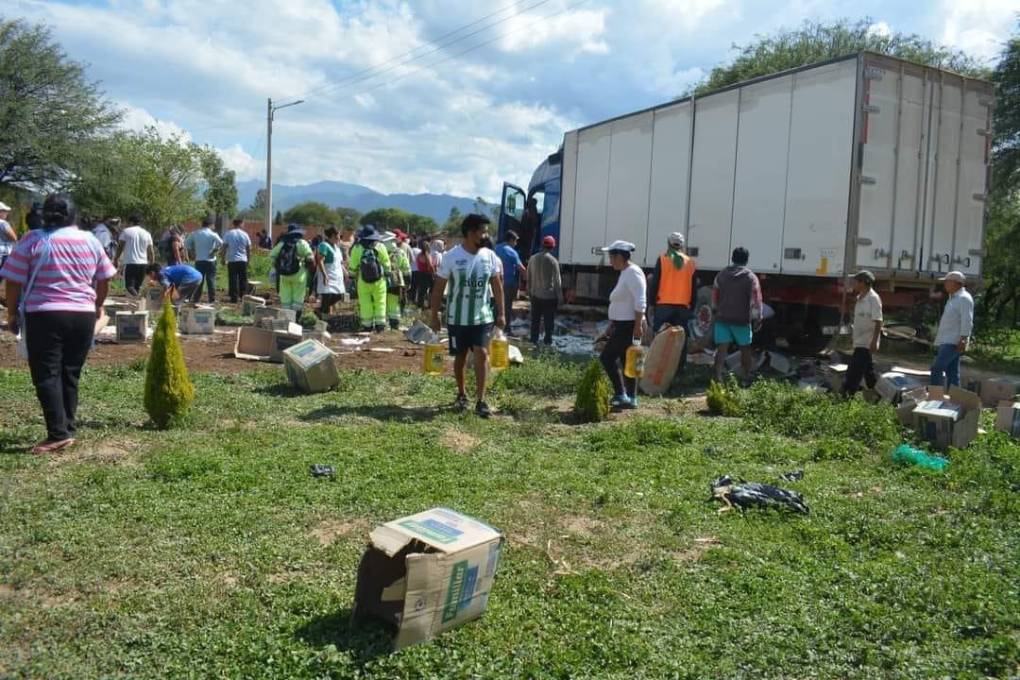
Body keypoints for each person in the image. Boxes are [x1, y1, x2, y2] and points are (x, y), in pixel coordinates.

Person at [1, 194, 116, 454]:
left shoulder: (33, 239)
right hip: (82, 315)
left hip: (45, 315)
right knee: (70, 372)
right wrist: (97, 305)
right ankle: (67, 428)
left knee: (46, 374)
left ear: (44, 215)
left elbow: (13, 280)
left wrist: (11, 313)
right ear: (74, 215)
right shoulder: (90, 240)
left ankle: (57, 434)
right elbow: (105, 277)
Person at [430, 214, 504, 417]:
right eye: (483, 232)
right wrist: (434, 315)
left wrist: (502, 313)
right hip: (457, 318)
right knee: (460, 356)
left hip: (483, 317)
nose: (486, 235)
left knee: (482, 353)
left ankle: (481, 400)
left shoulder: (489, 256)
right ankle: (462, 394)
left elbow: (497, 287)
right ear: (471, 233)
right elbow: (438, 289)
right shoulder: (451, 257)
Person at [596, 240, 646, 409]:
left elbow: (640, 301)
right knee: (627, 361)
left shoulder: (633, 272)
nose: (610, 261)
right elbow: (622, 302)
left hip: (628, 325)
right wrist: (611, 326)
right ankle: (631, 398)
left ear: (619, 257)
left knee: (607, 358)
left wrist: (638, 326)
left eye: (611, 257)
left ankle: (620, 394)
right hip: (622, 324)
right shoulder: (625, 272)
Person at [712, 247, 763, 385]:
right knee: (745, 348)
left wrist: (716, 310)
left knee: (722, 348)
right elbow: (756, 300)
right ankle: (746, 377)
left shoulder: (721, 275)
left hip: (722, 318)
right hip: (741, 320)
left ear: (732, 258)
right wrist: (758, 318)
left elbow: (715, 295)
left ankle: (717, 377)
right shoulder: (751, 277)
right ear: (746, 260)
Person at [647, 232, 697, 369]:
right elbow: (694, 289)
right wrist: (691, 307)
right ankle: (679, 369)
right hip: (682, 308)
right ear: (682, 245)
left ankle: (657, 368)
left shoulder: (663, 259)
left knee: (660, 338)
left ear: (668, 243)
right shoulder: (690, 262)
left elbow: (655, 283)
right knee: (681, 340)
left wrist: (651, 303)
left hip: (664, 307)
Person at [930, 271, 974, 388]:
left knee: (937, 368)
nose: (945, 285)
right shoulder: (953, 298)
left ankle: (935, 395)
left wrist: (963, 339)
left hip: (953, 341)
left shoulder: (964, 299)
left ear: (956, 283)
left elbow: (967, 320)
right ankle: (955, 396)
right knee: (952, 372)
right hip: (947, 340)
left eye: (947, 282)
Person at [842, 271, 883, 396]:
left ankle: (847, 395)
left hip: (866, 343)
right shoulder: (860, 298)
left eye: (855, 281)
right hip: (859, 340)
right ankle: (878, 394)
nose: (853, 284)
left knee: (854, 372)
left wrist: (874, 342)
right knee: (868, 373)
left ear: (863, 283)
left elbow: (878, 321)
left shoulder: (873, 299)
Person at [349, 226, 391, 332]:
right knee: (380, 302)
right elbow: (386, 263)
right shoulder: (380, 246)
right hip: (379, 280)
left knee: (365, 303)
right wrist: (387, 273)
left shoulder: (357, 248)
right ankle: (380, 325)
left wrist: (352, 276)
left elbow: (353, 265)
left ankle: (367, 325)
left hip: (363, 280)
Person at [270, 224, 314, 313]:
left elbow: (272, 256)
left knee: (285, 296)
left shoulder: (282, 243)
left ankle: (286, 315)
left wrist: (279, 266)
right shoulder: (302, 243)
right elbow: (310, 258)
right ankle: (296, 316)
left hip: (284, 275)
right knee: (298, 296)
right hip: (299, 275)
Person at [527, 235, 562, 347]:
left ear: (542, 245)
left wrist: (529, 292)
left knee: (535, 321)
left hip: (535, 295)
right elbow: (557, 281)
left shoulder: (532, 259)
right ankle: (547, 342)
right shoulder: (553, 261)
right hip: (549, 297)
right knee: (548, 322)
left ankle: (533, 342)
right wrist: (560, 297)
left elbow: (528, 277)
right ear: (552, 247)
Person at [185, 216, 223, 304]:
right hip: (211, 260)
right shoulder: (213, 234)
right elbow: (221, 243)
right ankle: (212, 299)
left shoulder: (195, 233)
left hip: (199, 260)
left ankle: (196, 298)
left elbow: (186, 244)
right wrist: (214, 251)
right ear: (210, 224)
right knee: (211, 279)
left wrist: (192, 252)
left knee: (199, 279)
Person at [114, 215, 154, 296]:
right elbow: (151, 251)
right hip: (143, 263)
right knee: (137, 287)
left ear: (131, 222)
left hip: (130, 262)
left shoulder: (126, 231)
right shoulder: (147, 233)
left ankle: (137, 297)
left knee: (129, 287)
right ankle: (137, 300)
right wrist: (151, 263)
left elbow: (120, 246)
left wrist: (116, 259)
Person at [495, 230, 526, 330]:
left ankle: (494, 327)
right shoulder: (512, 252)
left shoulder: (496, 248)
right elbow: (521, 268)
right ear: (511, 240)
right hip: (507, 284)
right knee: (506, 306)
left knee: (495, 305)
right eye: (515, 241)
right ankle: (506, 328)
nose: (516, 243)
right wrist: (528, 281)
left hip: (494, 282)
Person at [316, 226, 346, 318]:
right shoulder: (324, 245)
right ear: (333, 235)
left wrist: (345, 272)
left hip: (337, 278)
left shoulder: (337, 247)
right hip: (328, 276)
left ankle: (320, 311)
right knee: (327, 297)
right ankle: (324, 319)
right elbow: (320, 260)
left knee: (339, 295)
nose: (339, 238)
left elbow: (340, 263)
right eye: (338, 236)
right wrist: (325, 275)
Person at [383, 232, 411, 330]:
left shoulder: (379, 252)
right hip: (397, 281)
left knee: (381, 302)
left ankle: (382, 324)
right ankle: (394, 324)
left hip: (382, 282)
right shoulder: (400, 252)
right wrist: (407, 283)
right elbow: (406, 269)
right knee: (394, 303)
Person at [222, 219, 252, 303]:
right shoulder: (245, 234)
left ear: (233, 224)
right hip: (243, 260)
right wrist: (249, 260)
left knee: (233, 279)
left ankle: (234, 298)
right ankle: (243, 297)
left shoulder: (228, 234)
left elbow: (224, 247)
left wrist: (223, 258)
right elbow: (248, 248)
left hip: (232, 260)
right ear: (241, 224)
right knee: (243, 279)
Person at [0, 201, 17, 307]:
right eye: (4, 211)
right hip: (3, 252)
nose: (6, 213)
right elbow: (13, 237)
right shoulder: (3, 223)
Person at [518, 197, 540, 261]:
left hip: (528, 232)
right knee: (529, 247)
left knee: (528, 248)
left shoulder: (529, 210)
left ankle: (527, 258)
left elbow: (527, 222)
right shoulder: (532, 209)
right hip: (530, 232)